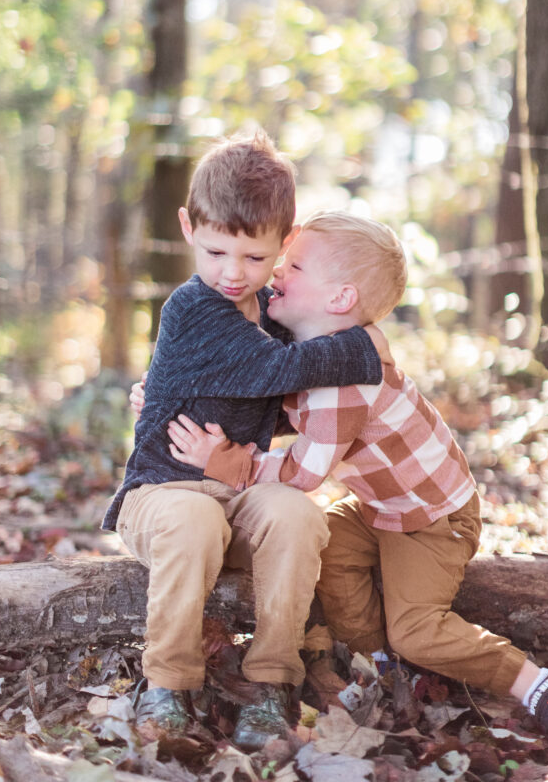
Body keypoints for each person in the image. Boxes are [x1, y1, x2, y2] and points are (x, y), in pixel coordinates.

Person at [167, 210, 548, 762]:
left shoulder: (343, 383)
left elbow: (302, 474)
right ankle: (382, 667)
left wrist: (227, 462)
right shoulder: (316, 350)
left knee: (418, 628)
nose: (278, 268)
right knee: (326, 549)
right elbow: (258, 394)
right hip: (380, 507)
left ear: (341, 298)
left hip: (432, 519)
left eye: (295, 264)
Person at [103, 134, 390, 751]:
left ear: (283, 245)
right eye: (215, 251)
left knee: (296, 514)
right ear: (187, 228)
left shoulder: (271, 310)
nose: (233, 273)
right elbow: (273, 374)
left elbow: (280, 405)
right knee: (192, 519)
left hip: (239, 491)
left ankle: (270, 682)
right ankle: (168, 684)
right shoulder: (193, 308)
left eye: (254, 258)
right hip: (164, 492)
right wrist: (367, 346)